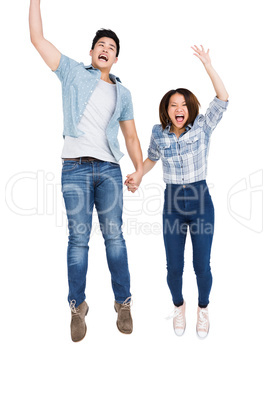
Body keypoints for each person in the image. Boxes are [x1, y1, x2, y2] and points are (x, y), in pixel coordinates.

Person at [29, 0, 143, 341]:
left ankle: (123, 302)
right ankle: (77, 306)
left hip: (109, 170)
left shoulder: (123, 92)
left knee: (115, 238)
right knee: (78, 239)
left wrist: (139, 170)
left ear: (116, 58)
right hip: (75, 168)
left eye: (112, 48)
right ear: (92, 52)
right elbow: (37, 37)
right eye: (101, 45)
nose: (106, 50)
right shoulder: (72, 72)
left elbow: (132, 135)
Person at [126, 45, 229, 339]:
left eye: (183, 104)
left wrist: (208, 65)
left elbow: (223, 99)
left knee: (201, 265)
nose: (179, 108)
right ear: (166, 110)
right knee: (173, 267)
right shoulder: (159, 133)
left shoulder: (202, 128)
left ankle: (203, 308)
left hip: (199, 201)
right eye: (173, 104)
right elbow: (151, 159)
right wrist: (138, 175)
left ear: (190, 108)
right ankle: (178, 306)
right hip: (172, 202)